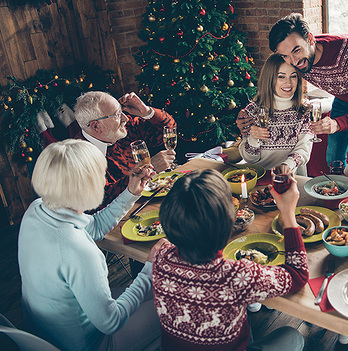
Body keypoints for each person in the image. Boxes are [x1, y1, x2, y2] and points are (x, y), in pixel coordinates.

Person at [18, 139, 165, 351]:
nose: (103, 179)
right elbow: (111, 321)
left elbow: (94, 226)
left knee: (157, 288)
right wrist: (149, 268)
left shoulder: (38, 209)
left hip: (47, 333)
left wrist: (131, 193)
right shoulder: (76, 249)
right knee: (176, 298)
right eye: (100, 174)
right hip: (91, 344)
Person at [152, 169, 308, 350]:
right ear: (228, 223)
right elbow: (298, 274)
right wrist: (288, 213)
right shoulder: (235, 276)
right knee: (293, 336)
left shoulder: (160, 256)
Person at [238, 13, 348, 166]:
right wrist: (246, 115)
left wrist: (338, 124)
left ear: (310, 39)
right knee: (334, 157)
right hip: (344, 96)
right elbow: (276, 81)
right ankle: (338, 190)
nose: (293, 61)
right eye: (285, 56)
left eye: (296, 50)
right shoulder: (297, 63)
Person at [74, 91, 177, 209]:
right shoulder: (79, 156)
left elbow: (168, 131)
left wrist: (146, 111)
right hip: (122, 216)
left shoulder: (126, 128)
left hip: (153, 200)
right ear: (96, 126)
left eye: (121, 111)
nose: (125, 118)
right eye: (117, 115)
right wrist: (147, 170)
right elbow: (101, 200)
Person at [238, 53, 313, 175]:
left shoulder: (305, 111)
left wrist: (287, 165)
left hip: (292, 176)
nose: (288, 83)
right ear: (270, 78)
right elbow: (249, 159)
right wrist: (253, 139)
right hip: (261, 177)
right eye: (281, 77)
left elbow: (304, 149)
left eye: (293, 76)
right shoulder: (252, 111)